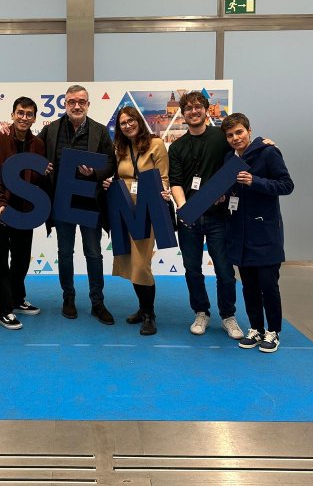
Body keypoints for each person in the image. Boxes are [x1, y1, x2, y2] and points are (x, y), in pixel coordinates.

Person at [168, 91, 244, 340]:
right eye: (188, 108)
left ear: (206, 109)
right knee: (192, 269)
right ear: (183, 114)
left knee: (224, 269)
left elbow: (242, 155)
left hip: (218, 218)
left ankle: (228, 316)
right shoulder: (177, 147)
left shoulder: (222, 139)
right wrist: (183, 209)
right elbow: (176, 182)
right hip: (190, 219)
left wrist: (266, 142)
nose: (193, 111)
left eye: (197, 106)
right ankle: (201, 312)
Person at [37, 85, 116, 324]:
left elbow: (111, 163)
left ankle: (97, 302)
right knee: (65, 252)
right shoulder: (50, 130)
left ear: (88, 104)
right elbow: (33, 151)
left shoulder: (100, 131)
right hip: (62, 203)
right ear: (65, 104)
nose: (77, 105)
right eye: (72, 101)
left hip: (89, 202)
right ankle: (68, 298)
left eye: (81, 101)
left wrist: (95, 172)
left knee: (93, 253)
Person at [221, 113, 294, 353]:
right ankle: (255, 328)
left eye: (239, 132)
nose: (235, 138)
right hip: (240, 234)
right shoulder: (228, 160)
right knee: (249, 286)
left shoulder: (268, 152)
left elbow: (286, 185)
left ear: (249, 131)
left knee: (268, 285)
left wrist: (255, 181)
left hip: (265, 233)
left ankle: (273, 332)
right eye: (230, 135)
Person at [103, 106, 172, 336]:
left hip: (147, 209)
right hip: (124, 209)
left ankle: (150, 314)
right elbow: (116, 176)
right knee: (131, 263)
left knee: (142, 264)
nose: (128, 125)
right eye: (123, 123)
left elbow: (163, 177)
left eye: (131, 120)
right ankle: (142, 309)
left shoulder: (156, 144)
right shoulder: (119, 148)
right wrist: (107, 183)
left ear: (139, 121)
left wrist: (164, 192)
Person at [0, 97, 48, 330]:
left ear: (34, 118)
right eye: (20, 113)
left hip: (26, 212)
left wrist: (45, 172)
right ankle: (3, 309)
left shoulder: (38, 145)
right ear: (12, 115)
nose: (24, 117)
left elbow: (36, 180)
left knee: (21, 259)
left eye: (29, 114)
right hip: (0, 212)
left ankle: (17, 298)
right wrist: (0, 204)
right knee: (0, 261)